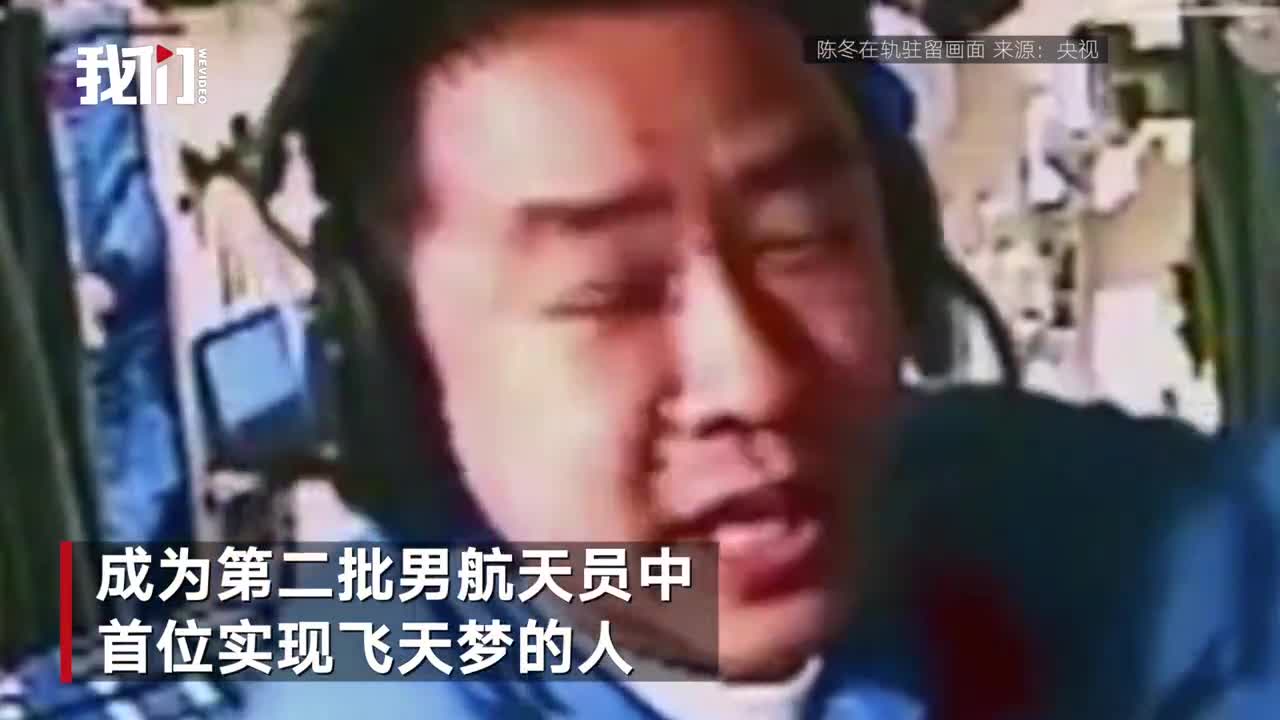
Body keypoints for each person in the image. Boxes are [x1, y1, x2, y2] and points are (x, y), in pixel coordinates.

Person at [237, 1, 1280, 718]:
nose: (754, 378)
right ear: (404, 371)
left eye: (801, 240)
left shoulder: (1028, 506)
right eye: (603, 292)